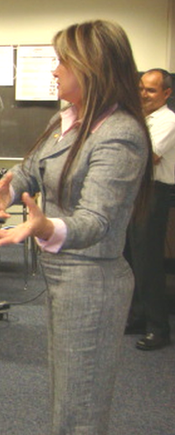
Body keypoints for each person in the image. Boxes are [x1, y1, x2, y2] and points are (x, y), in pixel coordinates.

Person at [0, 20, 152, 434]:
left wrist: (44, 227)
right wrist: (8, 187)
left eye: (63, 62)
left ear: (92, 68)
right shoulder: (70, 119)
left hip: (92, 280)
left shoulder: (120, 134)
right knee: (68, 395)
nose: (55, 70)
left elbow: (96, 220)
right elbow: (32, 168)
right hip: (64, 276)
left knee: (81, 407)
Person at [125, 68, 175, 351]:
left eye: (151, 90)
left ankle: (159, 328)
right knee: (130, 258)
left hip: (154, 192)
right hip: (136, 191)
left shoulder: (168, 120)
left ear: (166, 93)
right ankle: (137, 317)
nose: (144, 94)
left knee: (148, 262)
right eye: (142, 88)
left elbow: (148, 157)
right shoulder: (139, 118)